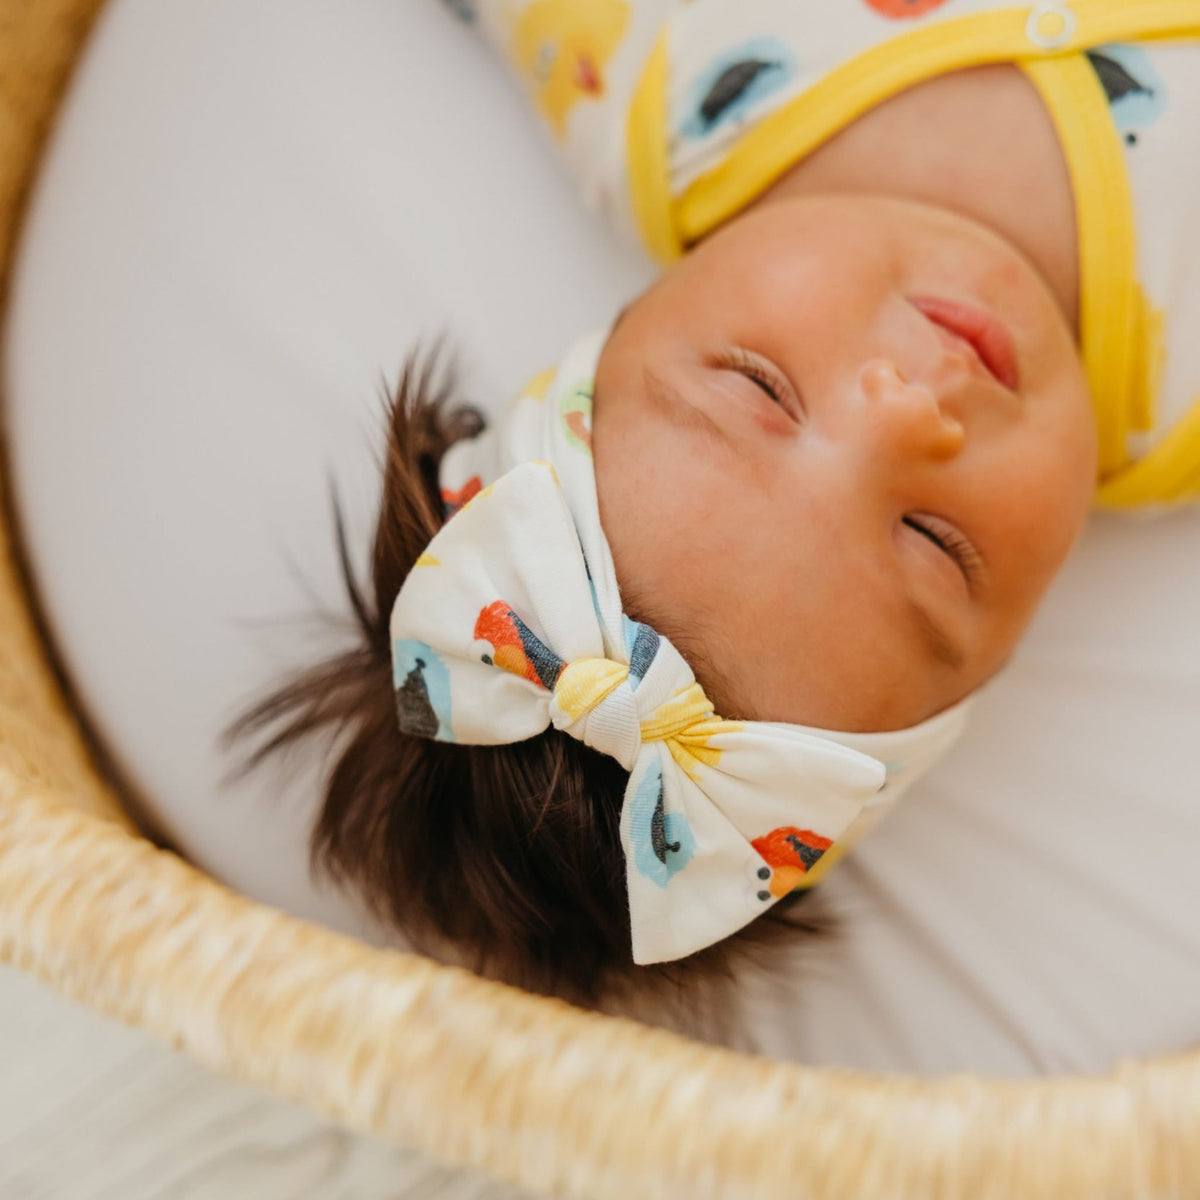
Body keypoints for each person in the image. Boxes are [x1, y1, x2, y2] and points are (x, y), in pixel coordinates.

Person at [222, 0, 1200, 1019]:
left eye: (761, 391)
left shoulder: (650, 81)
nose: (905, 412)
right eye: (932, 542)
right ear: (1001, 661)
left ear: (627, 326)